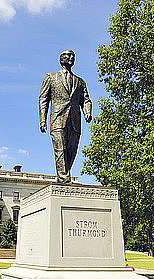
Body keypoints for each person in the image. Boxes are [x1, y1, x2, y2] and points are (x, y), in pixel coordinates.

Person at [39, 50, 92, 183]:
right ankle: (64, 178)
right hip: (57, 119)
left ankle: (64, 175)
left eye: (73, 56)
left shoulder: (80, 81)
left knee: (71, 151)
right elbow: (43, 99)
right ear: (61, 59)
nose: (71, 58)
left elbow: (86, 100)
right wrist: (42, 120)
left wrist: (87, 111)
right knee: (60, 149)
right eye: (67, 56)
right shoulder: (51, 77)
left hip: (75, 121)